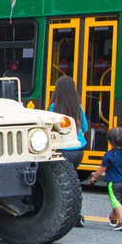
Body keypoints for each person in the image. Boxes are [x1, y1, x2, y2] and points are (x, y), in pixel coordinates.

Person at [48, 76, 89, 227]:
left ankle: (71, 214)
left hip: (62, 150)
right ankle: (77, 213)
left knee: (62, 185)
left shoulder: (53, 107)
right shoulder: (78, 107)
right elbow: (85, 128)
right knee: (72, 181)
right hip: (79, 150)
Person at [89, 127, 122, 230]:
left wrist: (94, 178)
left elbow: (102, 168)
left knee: (115, 201)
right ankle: (113, 218)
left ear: (110, 141)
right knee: (120, 200)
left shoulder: (109, 155)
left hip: (114, 182)